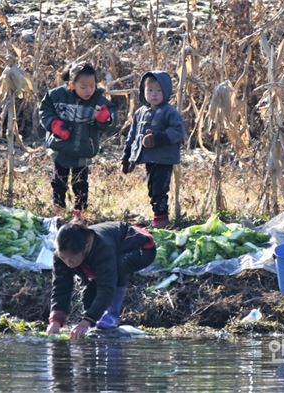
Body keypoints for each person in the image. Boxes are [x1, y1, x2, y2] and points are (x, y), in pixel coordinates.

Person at [45, 219, 156, 338]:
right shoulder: (62, 255)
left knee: (116, 268)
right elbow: (61, 286)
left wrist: (86, 321)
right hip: (110, 249)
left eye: (71, 259)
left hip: (141, 248)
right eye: (63, 258)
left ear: (86, 247)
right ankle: (94, 322)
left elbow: (106, 289)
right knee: (89, 294)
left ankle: (111, 318)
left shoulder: (103, 248)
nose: (67, 263)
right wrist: (56, 320)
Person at [39, 61, 117, 219]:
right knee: (59, 181)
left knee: (80, 183)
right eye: (83, 87)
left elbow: (112, 119)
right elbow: (44, 109)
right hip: (60, 148)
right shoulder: (56, 95)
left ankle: (80, 212)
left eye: (92, 85)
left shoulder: (98, 100)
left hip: (83, 150)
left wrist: (105, 119)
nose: (88, 90)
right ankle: (58, 209)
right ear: (71, 85)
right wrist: (54, 124)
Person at [122, 71, 186, 228]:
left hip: (164, 159)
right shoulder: (140, 112)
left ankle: (161, 219)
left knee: (159, 188)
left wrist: (158, 138)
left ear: (166, 91)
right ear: (144, 91)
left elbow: (178, 131)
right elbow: (133, 135)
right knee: (152, 188)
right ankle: (158, 216)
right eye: (150, 90)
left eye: (159, 90)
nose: (154, 94)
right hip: (149, 158)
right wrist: (128, 155)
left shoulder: (169, 112)